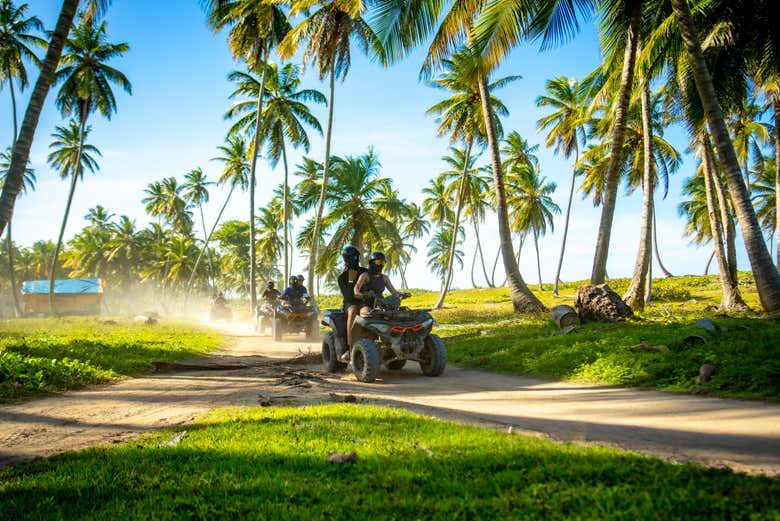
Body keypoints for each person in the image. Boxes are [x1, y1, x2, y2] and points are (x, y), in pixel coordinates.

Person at [337, 245, 367, 351]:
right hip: (350, 303)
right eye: (354, 258)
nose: (357, 260)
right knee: (353, 310)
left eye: (357, 257)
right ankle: (350, 345)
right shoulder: (342, 277)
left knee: (370, 312)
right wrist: (351, 280)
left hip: (365, 301)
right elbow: (348, 296)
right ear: (348, 259)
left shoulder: (364, 271)